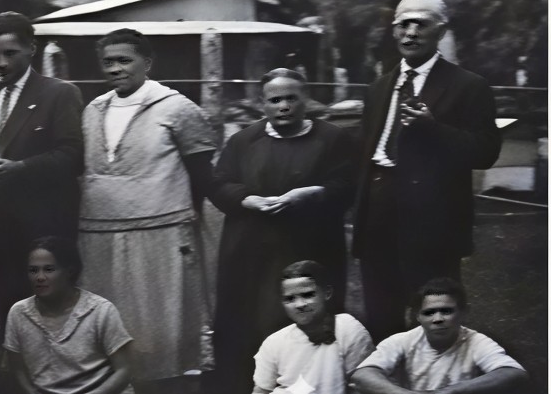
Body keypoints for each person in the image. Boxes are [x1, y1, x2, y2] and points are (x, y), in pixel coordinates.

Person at [352, 0, 502, 342]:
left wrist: (432, 129)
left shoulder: (469, 86)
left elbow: (485, 153)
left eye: (421, 23)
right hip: (377, 216)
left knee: (435, 318)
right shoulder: (378, 87)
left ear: (441, 30)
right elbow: (367, 149)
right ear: (393, 31)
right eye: (404, 24)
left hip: (432, 223)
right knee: (381, 316)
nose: (411, 32)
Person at [77, 28, 216, 382]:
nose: (115, 69)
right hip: (100, 231)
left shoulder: (177, 107)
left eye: (125, 60)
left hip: (163, 230)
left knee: (160, 320)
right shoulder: (93, 109)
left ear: (147, 62)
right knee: (111, 318)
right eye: (108, 62)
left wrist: (188, 219)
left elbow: (201, 173)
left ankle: (169, 381)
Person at [210, 68, 356, 394]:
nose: (284, 106)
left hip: (310, 245)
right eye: (275, 100)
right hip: (250, 251)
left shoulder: (333, 138)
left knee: (304, 317)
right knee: (250, 321)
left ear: (306, 99)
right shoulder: (244, 140)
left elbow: (348, 185)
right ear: (263, 104)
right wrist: (248, 200)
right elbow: (218, 184)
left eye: (291, 98)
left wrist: (313, 193)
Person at [0, 11, 84, 331]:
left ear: (31, 49)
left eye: (10, 53)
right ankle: (18, 367)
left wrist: (20, 168)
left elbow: (73, 156)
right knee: (11, 298)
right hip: (1, 218)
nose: (1, 63)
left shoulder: (59, 93)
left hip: (45, 218)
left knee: (51, 300)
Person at [351, 278, 528, 394]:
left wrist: (449, 392)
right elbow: (363, 375)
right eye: (429, 313)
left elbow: (514, 374)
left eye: (446, 311)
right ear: (418, 316)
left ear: (463, 312)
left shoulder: (475, 341)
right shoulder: (403, 340)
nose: (438, 319)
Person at [5, 236, 134, 394]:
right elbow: (17, 369)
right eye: (33, 270)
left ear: (69, 271)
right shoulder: (18, 313)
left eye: (49, 269)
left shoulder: (100, 311)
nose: (39, 277)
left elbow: (124, 370)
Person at [253, 260, 374, 394]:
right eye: (290, 299)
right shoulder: (274, 342)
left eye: (308, 295)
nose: (299, 304)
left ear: (327, 293)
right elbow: (261, 390)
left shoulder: (346, 327)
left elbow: (364, 384)